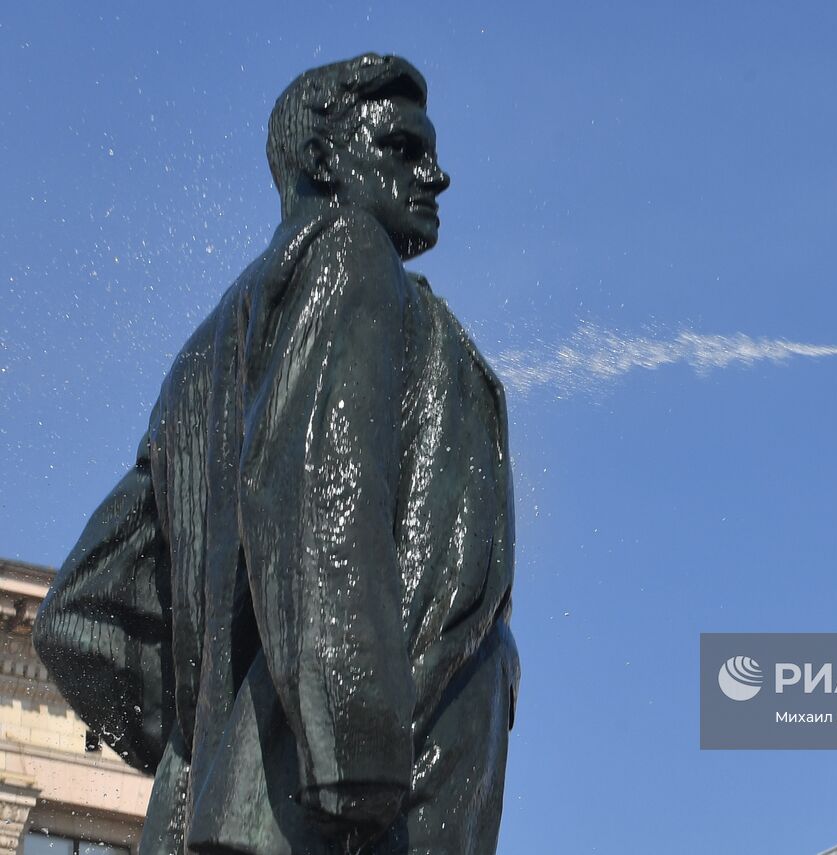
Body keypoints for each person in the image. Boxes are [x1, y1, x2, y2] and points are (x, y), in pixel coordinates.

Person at [33, 54, 520, 854]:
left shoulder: (201, 356)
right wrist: (349, 753)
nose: (436, 176)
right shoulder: (349, 253)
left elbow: (80, 615)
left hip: (248, 802)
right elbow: (315, 492)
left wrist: (210, 741)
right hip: (364, 802)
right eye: (403, 149)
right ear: (325, 160)